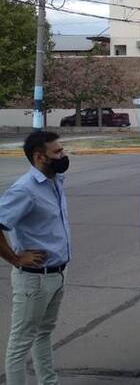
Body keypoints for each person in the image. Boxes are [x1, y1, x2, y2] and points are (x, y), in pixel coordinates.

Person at [0, 131, 71, 385]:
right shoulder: (25, 189)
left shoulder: (55, 180)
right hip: (34, 280)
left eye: (62, 149)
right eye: (57, 152)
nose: (63, 155)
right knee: (20, 343)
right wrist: (16, 259)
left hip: (57, 274)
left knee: (44, 333)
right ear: (40, 157)